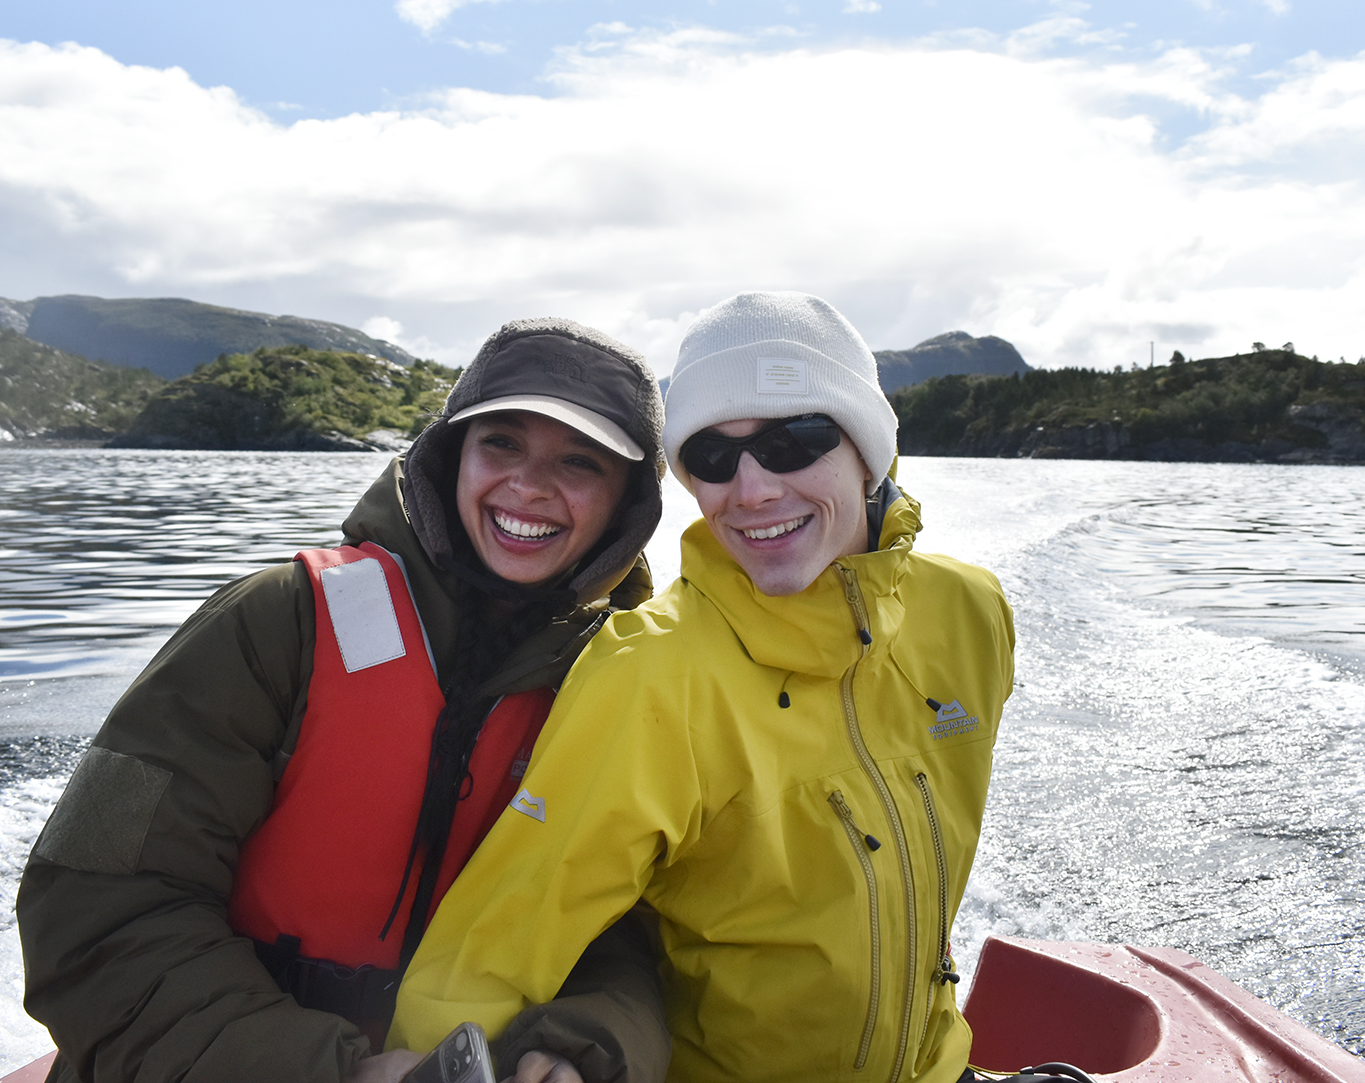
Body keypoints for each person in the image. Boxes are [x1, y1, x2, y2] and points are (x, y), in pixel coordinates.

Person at [17, 318, 671, 1083]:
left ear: (628, 506)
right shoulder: (272, 621)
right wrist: (335, 1071)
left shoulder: (618, 684)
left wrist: (582, 1046)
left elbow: (624, 938)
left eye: (580, 461)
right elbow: (88, 901)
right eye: (501, 443)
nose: (528, 486)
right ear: (450, 456)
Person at [392, 292, 1017, 1083]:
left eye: (793, 441)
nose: (751, 490)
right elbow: (491, 950)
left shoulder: (970, 612)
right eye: (713, 458)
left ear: (869, 449)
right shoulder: (650, 674)